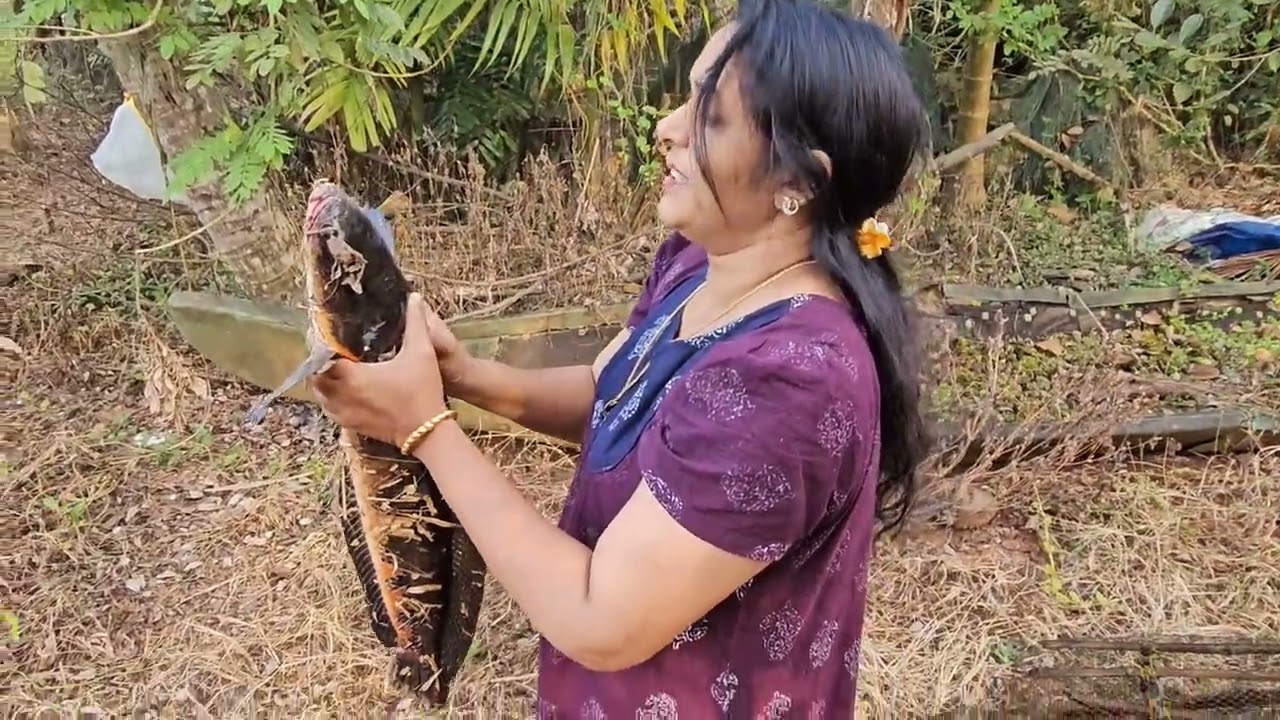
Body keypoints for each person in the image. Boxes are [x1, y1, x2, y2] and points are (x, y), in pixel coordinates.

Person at [311, 0, 930, 715]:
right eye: (685, 98)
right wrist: (463, 376)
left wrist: (424, 429)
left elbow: (600, 619)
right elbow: (614, 396)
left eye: (710, 117)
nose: (666, 128)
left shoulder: (791, 379)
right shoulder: (700, 263)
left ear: (800, 182)